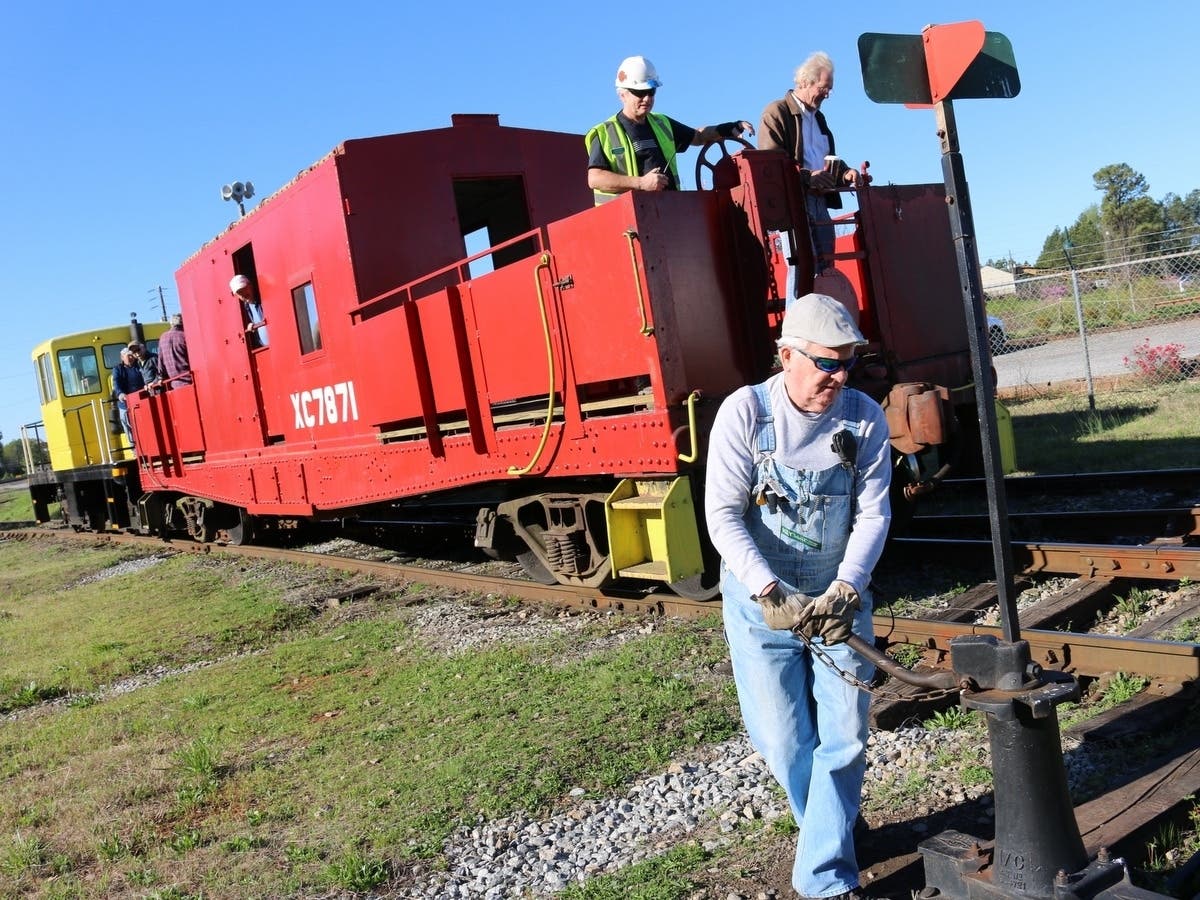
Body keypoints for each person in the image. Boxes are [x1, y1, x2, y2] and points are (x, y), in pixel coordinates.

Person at [705, 293, 892, 900]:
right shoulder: (745, 414)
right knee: (786, 743)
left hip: (838, 603)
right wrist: (766, 589)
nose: (837, 378)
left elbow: (872, 514)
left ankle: (824, 880)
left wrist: (847, 587)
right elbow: (722, 516)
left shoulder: (863, 418)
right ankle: (832, 823)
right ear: (786, 356)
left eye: (846, 364)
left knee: (845, 735)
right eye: (825, 364)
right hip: (763, 605)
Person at [586, 55, 755, 205]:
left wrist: (729, 127)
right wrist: (641, 183)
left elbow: (698, 136)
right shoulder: (604, 133)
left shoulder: (662, 123)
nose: (647, 98)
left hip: (669, 213)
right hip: (626, 226)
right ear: (622, 94)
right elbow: (595, 178)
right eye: (639, 92)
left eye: (651, 92)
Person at [759, 52, 865, 280]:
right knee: (802, 270)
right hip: (795, 202)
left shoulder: (819, 119)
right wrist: (807, 177)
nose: (828, 94)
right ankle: (799, 315)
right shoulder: (777, 112)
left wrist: (845, 173)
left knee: (826, 269)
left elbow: (827, 157)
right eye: (825, 87)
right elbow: (770, 165)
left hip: (820, 200)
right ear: (806, 81)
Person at [112, 347, 146, 447]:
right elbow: (116, 383)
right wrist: (120, 394)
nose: (131, 357)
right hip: (125, 404)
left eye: (132, 355)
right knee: (128, 426)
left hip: (141, 401)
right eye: (128, 356)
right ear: (122, 357)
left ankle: (146, 446)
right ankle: (134, 449)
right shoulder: (117, 369)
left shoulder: (139, 366)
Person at [230, 274, 269, 348]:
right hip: (265, 347)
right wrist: (252, 327)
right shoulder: (246, 307)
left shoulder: (264, 298)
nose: (243, 294)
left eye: (244, 288)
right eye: (239, 292)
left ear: (250, 285)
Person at [157, 313, 191, 386]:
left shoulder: (163, 338)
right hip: (190, 379)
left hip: (174, 383)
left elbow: (160, 361)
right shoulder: (185, 336)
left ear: (171, 324)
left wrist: (160, 377)